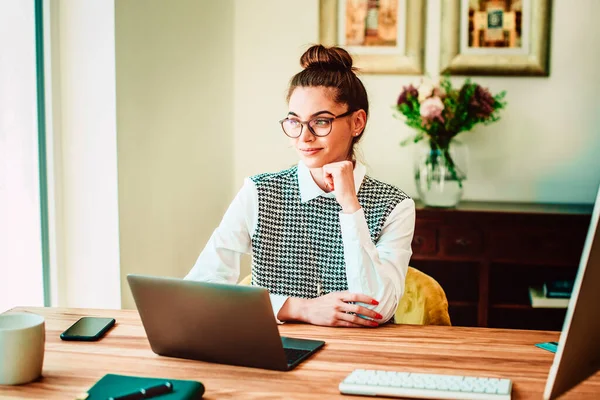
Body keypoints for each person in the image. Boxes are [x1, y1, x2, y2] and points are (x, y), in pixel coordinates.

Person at [185, 44, 415, 328]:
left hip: (359, 356)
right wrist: (299, 308)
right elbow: (200, 288)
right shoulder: (260, 192)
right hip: (273, 353)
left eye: (320, 121)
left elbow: (375, 308)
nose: (303, 137)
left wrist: (350, 207)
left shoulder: (395, 205)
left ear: (357, 122)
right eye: (295, 122)